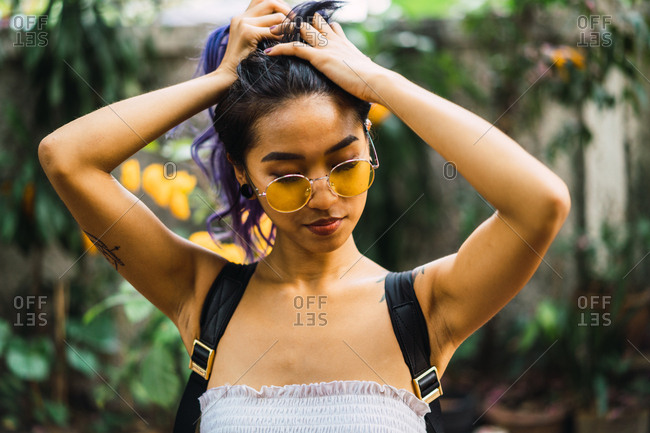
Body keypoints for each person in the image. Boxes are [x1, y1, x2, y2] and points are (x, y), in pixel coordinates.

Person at [38, 0, 571, 431]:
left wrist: (380, 83)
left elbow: (540, 203)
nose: (322, 196)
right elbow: (67, 158)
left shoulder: (425, 309)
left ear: (370, 150)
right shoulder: (201, 298)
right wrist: (221, 81)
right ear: (244, 174)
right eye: (288, 176)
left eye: (345, 165)